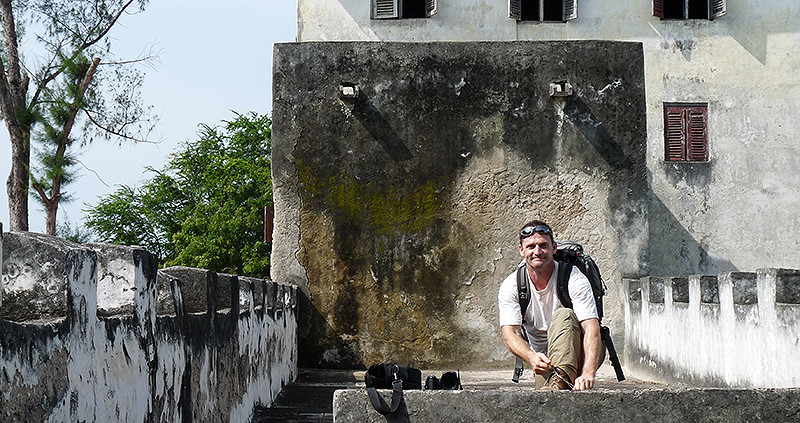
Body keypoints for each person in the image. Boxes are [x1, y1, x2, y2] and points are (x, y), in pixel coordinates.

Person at [498, 220, 603, 390]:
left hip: (581, 353)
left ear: (554, 248)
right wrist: (531, 357)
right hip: (546, 362)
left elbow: (591, 328)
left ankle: (558, 384)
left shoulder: (573, 278)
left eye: (543, 245)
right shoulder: (512, 285)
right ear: (521, 250)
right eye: (531, 246)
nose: (537, 252)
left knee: (564, 315)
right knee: (549, 394)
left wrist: (588, 373)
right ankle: (557, 383)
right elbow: (511, 333)